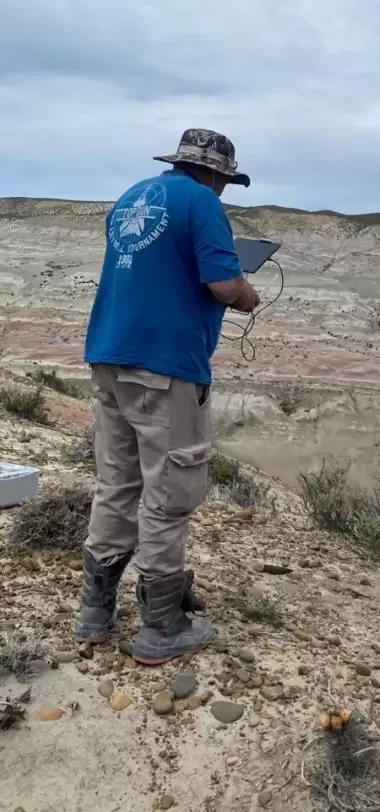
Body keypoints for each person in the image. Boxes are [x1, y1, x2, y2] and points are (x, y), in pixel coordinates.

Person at [76, 129, 259, 665]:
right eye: (225, 181)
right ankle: (161, 625)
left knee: (117, 482)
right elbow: (224, 285)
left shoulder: (133, 196)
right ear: (218, 174)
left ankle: (95, 610)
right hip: (165, 366)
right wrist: (247, 294)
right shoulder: (202, 203)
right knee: (169, 492)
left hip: (110, 356)